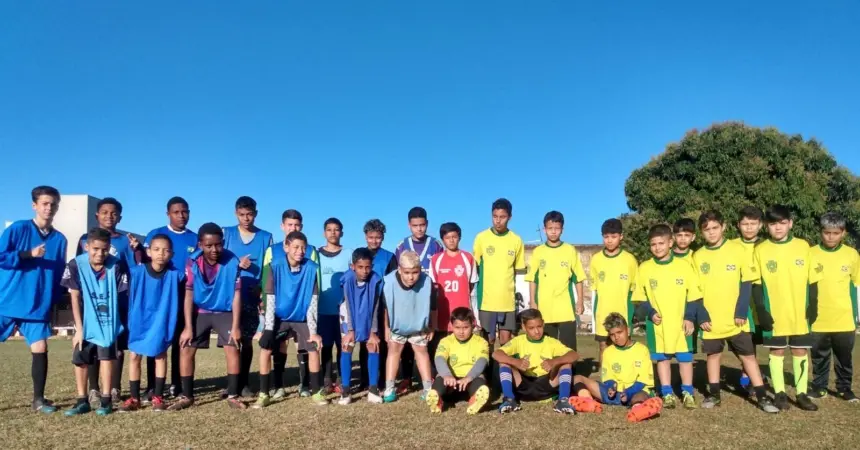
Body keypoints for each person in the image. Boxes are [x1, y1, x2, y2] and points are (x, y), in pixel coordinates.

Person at [693, 211, 778, 413]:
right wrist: (702, 315)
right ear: (701, 233)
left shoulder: (738, 250)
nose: (711, 233)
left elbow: (746, 281)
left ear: (723, 227)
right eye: (706, 230)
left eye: (715, 228)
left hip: (736, 319)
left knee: (748, 356)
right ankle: (714, 395)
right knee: (713, 356)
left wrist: (741, 310)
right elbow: (694, 290)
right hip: (711, 320)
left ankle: (762, 396)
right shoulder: (698, 256)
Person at [0, 186, 67, 413]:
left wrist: (53, 300)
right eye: (45, 203)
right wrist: (27, 254)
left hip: (37, 306)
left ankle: (38, 400)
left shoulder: (60, 239)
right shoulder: (18, 228)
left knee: (40, 348)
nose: (49, 208)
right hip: (7, 300)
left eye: (53, 204)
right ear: (34, 205)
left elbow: (58, 273)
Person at [752, 205, 821, 411]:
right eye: (773, 224)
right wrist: (761, 310)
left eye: (782, 223)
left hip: (800, 312)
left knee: (800, 350)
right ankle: (780, 393)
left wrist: (814, 305)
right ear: (766, 226)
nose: (778, 228)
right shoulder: (761, 249)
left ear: (790, 223)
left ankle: (801, 394)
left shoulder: (803, 246)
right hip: (775, 313)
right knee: (777, 350)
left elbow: (813, 281)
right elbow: (756, 283)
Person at [170, 223, 245, 410]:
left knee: (233, 347)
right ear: (200, 244)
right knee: (186, 347)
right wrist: (188, 327)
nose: (214, 249)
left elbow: (236, 296)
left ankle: (233, 395)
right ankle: (187, 396)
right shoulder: (192, 262)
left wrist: (236, 327)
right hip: (200, 311)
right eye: (209, 245)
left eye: (218, 244)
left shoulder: (232, 261)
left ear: (223, 242)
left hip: (223, 311)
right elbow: (188, 294)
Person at [75, 197, 141, 404]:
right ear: (97, 215)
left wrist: (136, 250)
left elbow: (132, 270)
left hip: (118, 301)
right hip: (93, 303)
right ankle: (94, 388)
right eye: (105, 212)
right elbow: (81, 269)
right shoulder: (85, 239)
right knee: (93, 345)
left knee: (115, 346)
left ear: (119, 217)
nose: (109, 216)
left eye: (113, 213)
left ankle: (114, 387)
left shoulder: (125, 241)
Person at [253, 231, 326, 408]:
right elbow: (270, 298)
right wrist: (269, 329)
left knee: (313, 348)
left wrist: (314, 332)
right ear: (286, 247)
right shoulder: (274, 266)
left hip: (301, 317)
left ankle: (316, 391)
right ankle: (264, 393)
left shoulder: (312, 268)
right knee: (266, 349)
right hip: (279, 317)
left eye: (303, 248)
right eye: (295, 247)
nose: (300, 251)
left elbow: (312, 301)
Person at [62, 228, 130, 417]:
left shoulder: (117, 266)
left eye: (105, 249)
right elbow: (74, 297)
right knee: (81, 359)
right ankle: (82, 401)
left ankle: (106, 401)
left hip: (108, 321)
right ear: (87, 247)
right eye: (95, 249)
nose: (100, 254)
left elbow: (121, 296)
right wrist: (79, 329)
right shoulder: (75, 264)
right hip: (85, 321)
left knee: (107, 358)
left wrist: (114, 326)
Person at [633, 224, 702, 410]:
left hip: (681, 324)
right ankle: (667, 392)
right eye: (653, 244)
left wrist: (689, 317)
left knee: (685, 358)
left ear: (670, 243)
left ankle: (687, 392)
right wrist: (650, 312)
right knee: (662, 358)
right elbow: (639, 298)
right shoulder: (645, 268)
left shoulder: (684, 266)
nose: (657, 248)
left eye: (661, 243)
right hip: (658, 325)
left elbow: (694, 296)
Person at [118, 234, 185, 412]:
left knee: (160, 356)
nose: (161, 253)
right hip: (140, 320)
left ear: (171, 254)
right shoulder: (136, 272)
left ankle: (157, 396)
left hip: (161, 320)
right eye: (156, 249)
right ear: (149, 251)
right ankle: (134, 398)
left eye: (166, 250)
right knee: (134, 356)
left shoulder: (175, 275)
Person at [142, 196, 198, 399]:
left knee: (179, 341)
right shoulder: (155, 234)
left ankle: (176, 383)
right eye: (176, 212)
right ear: (168, 214)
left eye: (185, 211)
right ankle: (152, 386)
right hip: (158, 298)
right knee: (155, 340)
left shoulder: (195, 238)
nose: (181, 215)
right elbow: (144, 266)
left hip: (183, 297)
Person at [261, 209, 319, 399]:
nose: (299, 251)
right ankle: (277, 385)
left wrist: (313, 323)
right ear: (282, 226)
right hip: (279, 310)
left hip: (301, 309)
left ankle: (304, 385)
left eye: (296, 225)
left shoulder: (310, 253)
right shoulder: (273, 252)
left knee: (303, 345)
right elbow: (267, 284)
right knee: (278, 345)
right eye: (290, 225)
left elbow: (314, 286)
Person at [222, 196, 273, 398]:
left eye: (250, 214)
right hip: (229, 296)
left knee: (247, 341)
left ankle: (244, 383)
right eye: (242, 215)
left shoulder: (265, 237)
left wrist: (262, 290)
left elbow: (269, 266)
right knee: (230, 341)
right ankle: (232, 384)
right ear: (236, 213)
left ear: (256, 214)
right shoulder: (227, 233)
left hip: (252, 296)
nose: (246, 218)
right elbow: (218, 260)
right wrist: (236, 265)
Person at [571, 313, 663, 423]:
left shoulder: (642, 350)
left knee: (641, 396)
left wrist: (628, 393)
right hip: (613, 395)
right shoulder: (608, 352)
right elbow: (608, 377)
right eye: (612, 335)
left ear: (628, 330)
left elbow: (643, 381)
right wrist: (611, 388)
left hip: (634, 392)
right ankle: (589, 402)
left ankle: (637, 410)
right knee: (577, 378)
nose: (616, 337)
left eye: (619, 332)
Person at [808, 212, 859, 402]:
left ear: (843, 233)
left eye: (835, 233)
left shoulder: (852, 254)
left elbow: (855, 286)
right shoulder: (811, 253)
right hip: (818, 319)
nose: (831, 237)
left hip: (844, 318)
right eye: (827, 232)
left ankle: (844, 388)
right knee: (819, 357)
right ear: (821, 232)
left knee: (844, 358)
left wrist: (855, 315)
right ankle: (819, 387)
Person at [393, 207, 443, 394]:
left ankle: (430, 376)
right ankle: (406, 378)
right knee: (407, 337)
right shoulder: (401, 246)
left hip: (428, 298)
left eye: (422, 225)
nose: (419, 229)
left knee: (428, 337)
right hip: (408, 299)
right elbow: (397, 274)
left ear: (427, 224)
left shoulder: (435, 244)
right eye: (415, 226)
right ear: (409, 225)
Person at [492, 308, 579, 414]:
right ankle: (509, 399)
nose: (537, 331)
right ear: (524, 327)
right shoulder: (518, 341)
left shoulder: (551, 342)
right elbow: (496, 354)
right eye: (531, 328)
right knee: (504, 363)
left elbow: (574, 355)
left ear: (543, 323)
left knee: (566, 364)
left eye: (539, 326)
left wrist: (554, 362)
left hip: (546, 385)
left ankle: (563, 401)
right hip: (524, 384)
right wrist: (516, 362)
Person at [382, 251, 438, 403]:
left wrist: (433, 326)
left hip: (419, 326)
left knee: (421, 351)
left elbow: (433, 306)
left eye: (415, 272)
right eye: (406, 272)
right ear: (399, 269)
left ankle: (428, 389)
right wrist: (386, 327)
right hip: (397, 325)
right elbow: (385, 307)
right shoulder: (388, 282)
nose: (411, 277)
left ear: (420, 270)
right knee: (394, 352)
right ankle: (389, 388)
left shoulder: (427, 282)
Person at [526, 211, 586, 352]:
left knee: (568, 348)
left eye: (557, 228)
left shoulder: (569, 250)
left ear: (562, 230)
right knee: (548, 348)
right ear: (544, 229)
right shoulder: (538, 252)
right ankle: (551, 374)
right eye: (550, 228)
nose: (553, 232)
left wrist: (580, 301)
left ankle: (569, 373)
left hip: (565, 309)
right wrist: (533, 302)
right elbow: (532, 279)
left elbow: (578, 278)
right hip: (545, 309)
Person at [473, 198, 525, 349]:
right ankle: (486, 373)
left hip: (507, 302)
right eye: (495, 216)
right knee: (486, 343)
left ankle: (503, 373)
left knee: (506, 342)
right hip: (486, 301)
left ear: (510, 217)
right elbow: (475, 269)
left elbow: (516, 272)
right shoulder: (481, 238)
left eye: (502, 217)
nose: (498, 221)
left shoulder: (516, 240)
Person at [337, 248, 384, 405]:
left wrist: (373, 331)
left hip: (368, 315)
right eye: (360, 267)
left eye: (368, 267)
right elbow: (349, 305)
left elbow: (376, 307)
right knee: (347, 345)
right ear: (353, 266)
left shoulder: (376, 280)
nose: (364, 271)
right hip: (349, 314)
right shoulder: (348, 280)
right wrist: (350, 330)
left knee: (373, 345)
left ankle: (373, 389)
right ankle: (345, 390)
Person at [589, 218, 638, 365]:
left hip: (622, 312)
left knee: (623, 346)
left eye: (613, 236)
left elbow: (633, 292)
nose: (609, 240)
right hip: (602, 312)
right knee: (604, 345)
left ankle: (624, 378)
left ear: (621, 236)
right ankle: (605, 379)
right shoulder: (596, 259)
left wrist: (630, 315)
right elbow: (595, 290)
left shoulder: (630, 260)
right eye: (606, 237)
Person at [428, 222, 478, 367]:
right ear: (442, 239)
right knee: (443, 349)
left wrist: (474, 315)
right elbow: (432, 287)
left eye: (454, 237)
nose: (451, 240)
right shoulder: (436, 260)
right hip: (442, 314)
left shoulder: (467, 258)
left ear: (459, 237)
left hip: (462, 314)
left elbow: (472, 286)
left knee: (462, 350)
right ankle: (441, 377)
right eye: (447, 237)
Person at [426, 307, 490, 415]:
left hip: (470, 379)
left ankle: (474, 400)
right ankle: (437, 400)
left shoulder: (481, 342)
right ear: (452, 326)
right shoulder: (446, 341)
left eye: (465, 327)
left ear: (473, 325)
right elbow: (439, 358)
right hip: (451, 381)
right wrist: (447, 375)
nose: (461, 332)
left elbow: (482, 361)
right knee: (440, 379)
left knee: (479, 382)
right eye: (457, 327)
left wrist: (469, 377)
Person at [731, 205, 765, 392]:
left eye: (753, 224)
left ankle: (753, 374)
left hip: (760, 295)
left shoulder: (766, 245)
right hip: (739, 295)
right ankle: (748, 373)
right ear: (739, 225)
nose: (749, 228)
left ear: (760, 225)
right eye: (745, 224)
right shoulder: (732, 245)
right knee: (742, 337)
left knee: (757, 338)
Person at [362, 218, 396, 389]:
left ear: (382, 237)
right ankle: (364, 379)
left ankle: (381, 380)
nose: (374, 240)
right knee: (364, 342)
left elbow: (393, 283)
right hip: (364, 304)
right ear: (365, 236)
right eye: (371, 237)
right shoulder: (360, 255)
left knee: (382, 342)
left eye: (378, 237)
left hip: (383, 305)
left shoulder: (389, 257)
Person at [318, 218, 351, 394]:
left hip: (343, 312)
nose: (332, 233)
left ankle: (341, 379)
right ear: (324, 233)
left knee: (342, 345)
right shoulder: (316, 254)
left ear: (341, 233)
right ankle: (326, 380)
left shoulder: (348, 254)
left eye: (336, 229)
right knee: (326, 346)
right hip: (322, 310)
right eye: (329, 229)